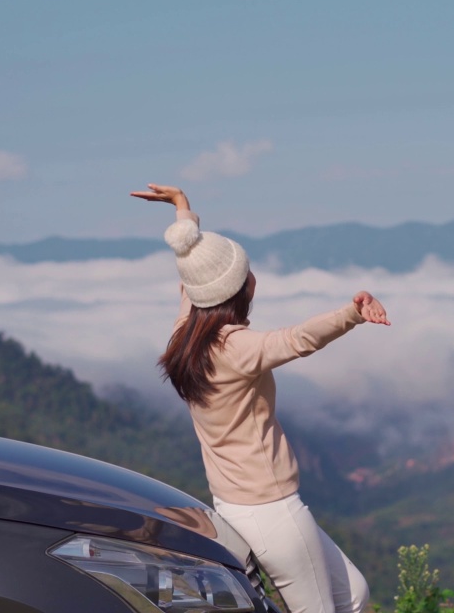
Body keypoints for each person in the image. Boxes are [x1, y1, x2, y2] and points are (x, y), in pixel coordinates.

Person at [131, 183, 389, 613]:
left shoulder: (185, 334)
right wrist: (353, 312)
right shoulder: (239, 348)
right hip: (272, 511)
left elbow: (189, 271)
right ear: (237, 292)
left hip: (237, 502)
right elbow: (300, 339)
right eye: (247, 274)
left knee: (355, 594)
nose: (254, 278)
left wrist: (183, 212)